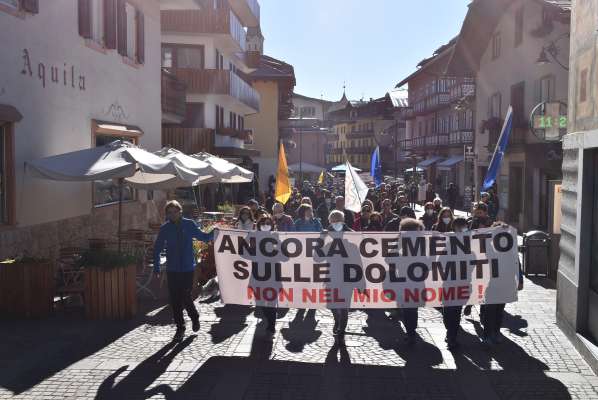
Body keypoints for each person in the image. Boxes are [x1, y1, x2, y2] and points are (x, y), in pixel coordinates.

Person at [153, 200, 214, 341]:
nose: (173, 215)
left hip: (187, 268)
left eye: (175, 211)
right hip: (172, 269)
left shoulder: (189, 224)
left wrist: (213, 233)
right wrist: (156, 267)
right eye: (169, 213)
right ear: (167, 214)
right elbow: (157, 249)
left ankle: (194, 317)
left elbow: (203, 237)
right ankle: (180, 328)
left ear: (180, 211)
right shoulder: (165, 228)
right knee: (174, 299)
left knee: (185, 296)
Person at [326, 210, 353, 344]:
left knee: (344, 306)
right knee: (331, 303)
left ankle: (341, 329)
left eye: (338, 219)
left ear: (343, 220)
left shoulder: (352, 234)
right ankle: (337, 320)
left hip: (347, 276)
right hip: (330, 275)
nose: (336, 222)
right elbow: (317, 257)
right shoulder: (325, 234)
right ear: (330, 221)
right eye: (333, 219)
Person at [398, 218, 425, 345]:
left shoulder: (424, 243)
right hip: (403, 281)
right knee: (407, 309)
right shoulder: (398, 243)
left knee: (412, 308)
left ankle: (411, 332)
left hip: (417, 281)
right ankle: (410, 331)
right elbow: (388, 259)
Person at [256, 214, 278, 335]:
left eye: (268, 223)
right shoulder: (253, 237)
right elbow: (244, 253)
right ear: (259, 225)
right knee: (260, 300)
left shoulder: (276, 237)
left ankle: (271, 325)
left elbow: (283, 256)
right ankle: (270, 319)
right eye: (263, 223)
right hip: (257, 274)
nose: (266, 226)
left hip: (273, 274)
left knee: (271, 301)